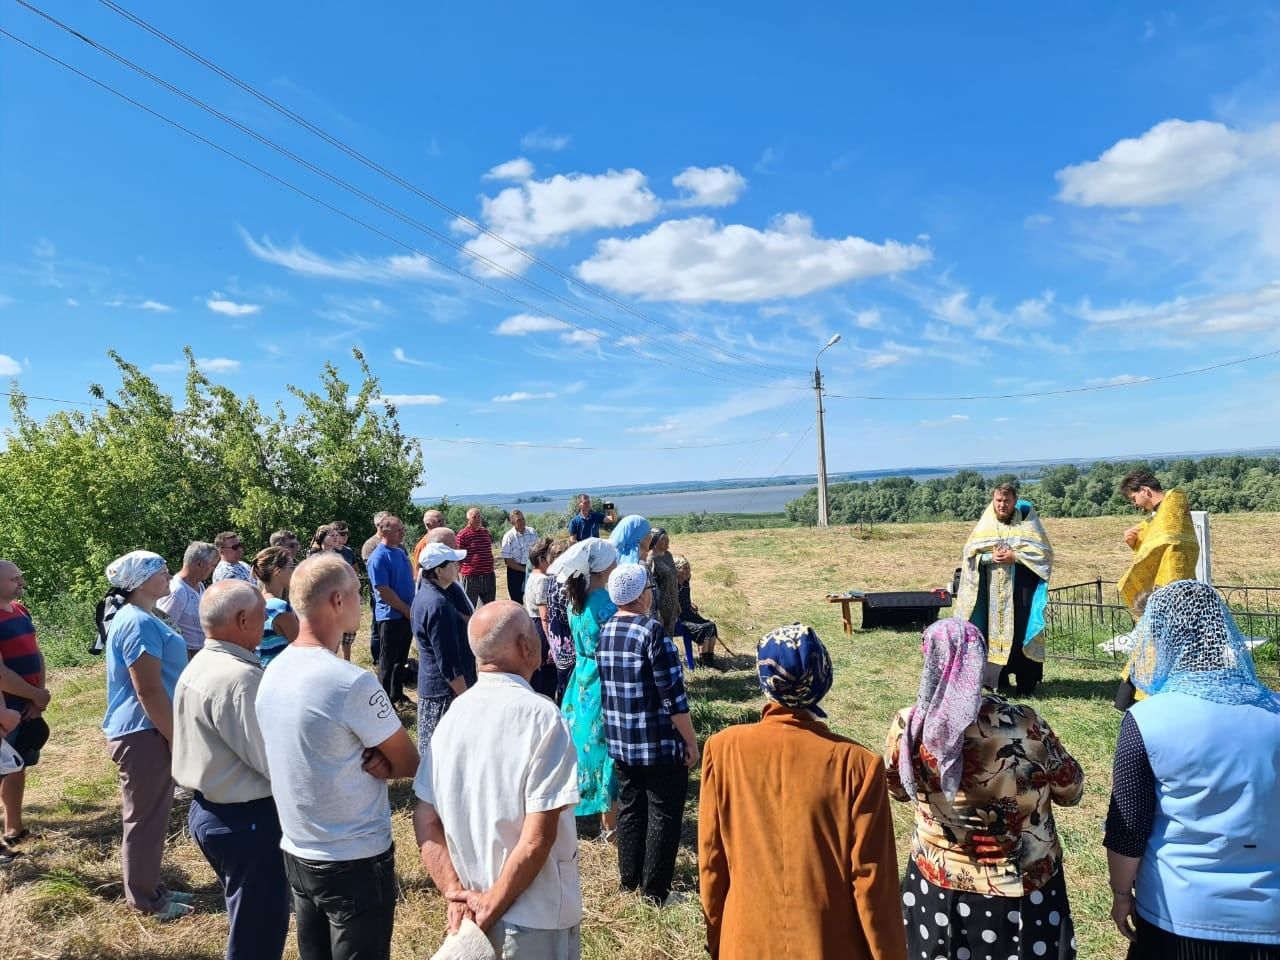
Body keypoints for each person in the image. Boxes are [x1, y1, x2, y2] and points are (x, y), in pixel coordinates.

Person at [699, 623, 905, 960]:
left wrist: (718, 936)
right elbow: (873, 884)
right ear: (824, 679)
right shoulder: (858, 765)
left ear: (765, 681)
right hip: (829, 944)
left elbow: (711, 860)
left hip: (745, 939)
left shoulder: (723, 750)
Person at [884, 617, 1084, 960]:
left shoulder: (910, 726)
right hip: (1022, 887)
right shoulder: (1024, 723)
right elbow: (1071, 789)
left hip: (937, 883)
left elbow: (898, 790)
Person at [1104, 580, 1280, 959]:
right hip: (1269, 915)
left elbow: (1128, 827)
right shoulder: (1275, 710)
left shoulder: (1147, 719)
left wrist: (1121, 895)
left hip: (1177, 914)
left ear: (1159, 637)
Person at [256, 555, 420, 960]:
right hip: (354, 856)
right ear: (336, 601)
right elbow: (409, 761)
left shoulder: (273, 672)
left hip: (298, 849)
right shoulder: (352, 682)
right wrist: (383, 760)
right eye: (357, 593)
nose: (361, 601)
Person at [414, 601, 583, 959]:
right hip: (535, 915)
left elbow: (425, 819)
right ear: (525, 646)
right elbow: (537, 837)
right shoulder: (543, 717)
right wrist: (493, 902)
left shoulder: (452, 717)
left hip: (472, 918)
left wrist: (455, 891)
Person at [172, 581, 289, 960]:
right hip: (246, 820)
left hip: (211, 811)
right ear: (242, 620)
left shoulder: (202, 664)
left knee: (250, 917)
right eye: (261, 617)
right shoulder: (239, 679)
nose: (265, 625)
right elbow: (273, 761)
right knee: (259, 931)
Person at [100, 550, 195, 920]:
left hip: (148, 730)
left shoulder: (138, 616)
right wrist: (174, 736)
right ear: (141, 581)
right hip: (145, 732)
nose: (168, 574)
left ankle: (152, 888)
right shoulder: (137, 622)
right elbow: (149, 690)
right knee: (144, 818)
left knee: (152, 815)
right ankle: (145, 900)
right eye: (161, 570)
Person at [597, 564, 698, 906]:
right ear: (641, 595)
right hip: (656, 741)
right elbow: (673, 697)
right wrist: (690, 741)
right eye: (649, 588)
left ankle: (630, 880)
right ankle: (655, 892)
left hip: (621, 739)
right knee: (663, 812)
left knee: (630, 807)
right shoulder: (653, 633)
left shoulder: (607, 629)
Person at [954, 484, 1054, 694]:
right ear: (993, 500)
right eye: (998, 500)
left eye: (1006, 501)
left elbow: (1044, 554)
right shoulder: (986, 523)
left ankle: (1026, 683)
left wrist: (1015, 557)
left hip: (1022, 592)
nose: (1002, 505)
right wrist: (990, 557)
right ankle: (997, 680)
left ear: (1014, 501)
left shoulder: (1028, 522)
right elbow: (970, 555)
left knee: (1021, 632)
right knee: (992, 633)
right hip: (992, 595)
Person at [551, 538, 619, 837]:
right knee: (605, 748)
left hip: (581, 679)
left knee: (583, 744)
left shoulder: (575, 602)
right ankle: (611, 825)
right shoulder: (605, 604)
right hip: (603, 679)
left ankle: (581, 807)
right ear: (605, 568)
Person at [0, 560, 50, 849]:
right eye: (13, 579)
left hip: (28, 704)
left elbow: (37, 654)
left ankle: (14, 828)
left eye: (21, 577)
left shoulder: (20, 610)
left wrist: (39, 695)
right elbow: (1, 674)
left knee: (17, 765)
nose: (21, 583)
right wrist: (34, 694)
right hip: (7, 707)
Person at [412, 542, 475, 752]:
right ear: (438, 570)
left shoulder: (433, 594)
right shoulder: (437, 604)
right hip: (444, 694)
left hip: (437, 689)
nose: (458, 566)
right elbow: (448, 663)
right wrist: (466, 699)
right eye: (453, 563)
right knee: (442, 756)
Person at [368, 514, 415, 708]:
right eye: (399, 530)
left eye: (403, 529)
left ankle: (397, 694)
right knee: (387, 661)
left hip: (406, 615)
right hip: (391, 617)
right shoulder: (378, 556)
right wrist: (405, 609)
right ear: (385, 531)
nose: (403, 532)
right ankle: (383, 703)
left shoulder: (400, 551)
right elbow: (384, 590)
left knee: (401, 659)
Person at [157, 541, 218, 660]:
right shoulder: (177, 591)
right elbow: (164, 630)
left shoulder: (199, 585)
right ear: (200, 564)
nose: (213, 569)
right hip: (185, 656)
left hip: (200, 654)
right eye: (212, 565)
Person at [522, 537, 560, 699]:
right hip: (542, 629)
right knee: (547, 677)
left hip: (533, 625)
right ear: (541, 559)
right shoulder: (543, 580)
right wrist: (552, 643)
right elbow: (545, 616)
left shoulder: (533, 576)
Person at [251, 548, 298, 667]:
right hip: (281, 676)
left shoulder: (255, 602)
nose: (294, 571)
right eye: (291, 566)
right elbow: (302, 647)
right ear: (278, 571)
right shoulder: (280, 608)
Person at [674, 556, 718, 668]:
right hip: (679, 618)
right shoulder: (673, 585)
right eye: (684, 568)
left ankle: (709, 661)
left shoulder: (686, 582)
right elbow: (674, 603)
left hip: (690, 613)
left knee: (711, 626)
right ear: (677, 569)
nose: (688, 570)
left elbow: (685, 599)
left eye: (688, 567)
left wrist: (690, 604)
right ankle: (704, 664)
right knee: (702, 629)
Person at [644, 527, 680, 642]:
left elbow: (673, 579)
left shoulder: (668, 555)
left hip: (672, 604)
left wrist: (677, 602)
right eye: (663, 539)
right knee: (660, 638)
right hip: (660, 606)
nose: (667, 542)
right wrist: (657, 612)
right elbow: (650, 588)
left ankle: (670, 658)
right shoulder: (650, 560)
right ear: (654, 541)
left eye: (667, 539)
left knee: (669, 637)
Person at [456, 509, 497, 608]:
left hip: (488, 575)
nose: (478, 519)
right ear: (468, 519)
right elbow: (458, 556)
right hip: (471, 577)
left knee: (490, 607)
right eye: (474, 517)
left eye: (479, 517)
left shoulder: (485, 532)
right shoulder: (462, 534)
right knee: (469, 608)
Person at [500, 510, 540, 604]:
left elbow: (539, 550)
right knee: (517, 601)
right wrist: (525, 570)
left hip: (533, 568)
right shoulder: (508, 537)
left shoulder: (532, 532)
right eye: (519, 520)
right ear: (512, 522)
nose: (522, 522)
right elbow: (508, 561)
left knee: (535, 599)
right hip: (516, 571)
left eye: (523, 519)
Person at [410, 508, 446, 577]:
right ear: (428, 525)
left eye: (443, 520)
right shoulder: (423, 545)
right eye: (439, 521)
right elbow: (418, 571)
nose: (443, 523)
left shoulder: (445, 539)